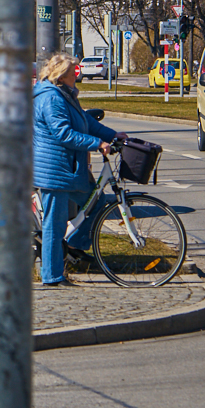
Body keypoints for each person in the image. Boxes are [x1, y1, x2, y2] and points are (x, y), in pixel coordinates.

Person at [33, 52, 121, 286]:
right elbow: (63, 134)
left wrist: (113, 136)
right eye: (74, 73)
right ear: (61, 76)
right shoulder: (51, 98)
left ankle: (74, 244)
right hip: (55, 169)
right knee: (54, 224)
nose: (77, 76)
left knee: (97, 202)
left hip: (69, 169)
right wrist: (97, 144)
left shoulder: (65, 95)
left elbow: (86, 121)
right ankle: (52, 276)